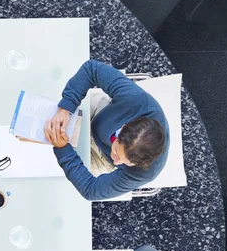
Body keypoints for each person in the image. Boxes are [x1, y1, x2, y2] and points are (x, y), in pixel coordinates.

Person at [44, 60, 169, 200]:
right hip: (99, 113)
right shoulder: (136, 100)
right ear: (123, 127)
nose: (116, 162)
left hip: (100, 157)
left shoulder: (146, 173)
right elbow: (92, 69)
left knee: (50, 168)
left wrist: (62, 148)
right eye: (116, 151)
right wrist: (66, 108)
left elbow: (91, 190)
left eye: (123, 161)